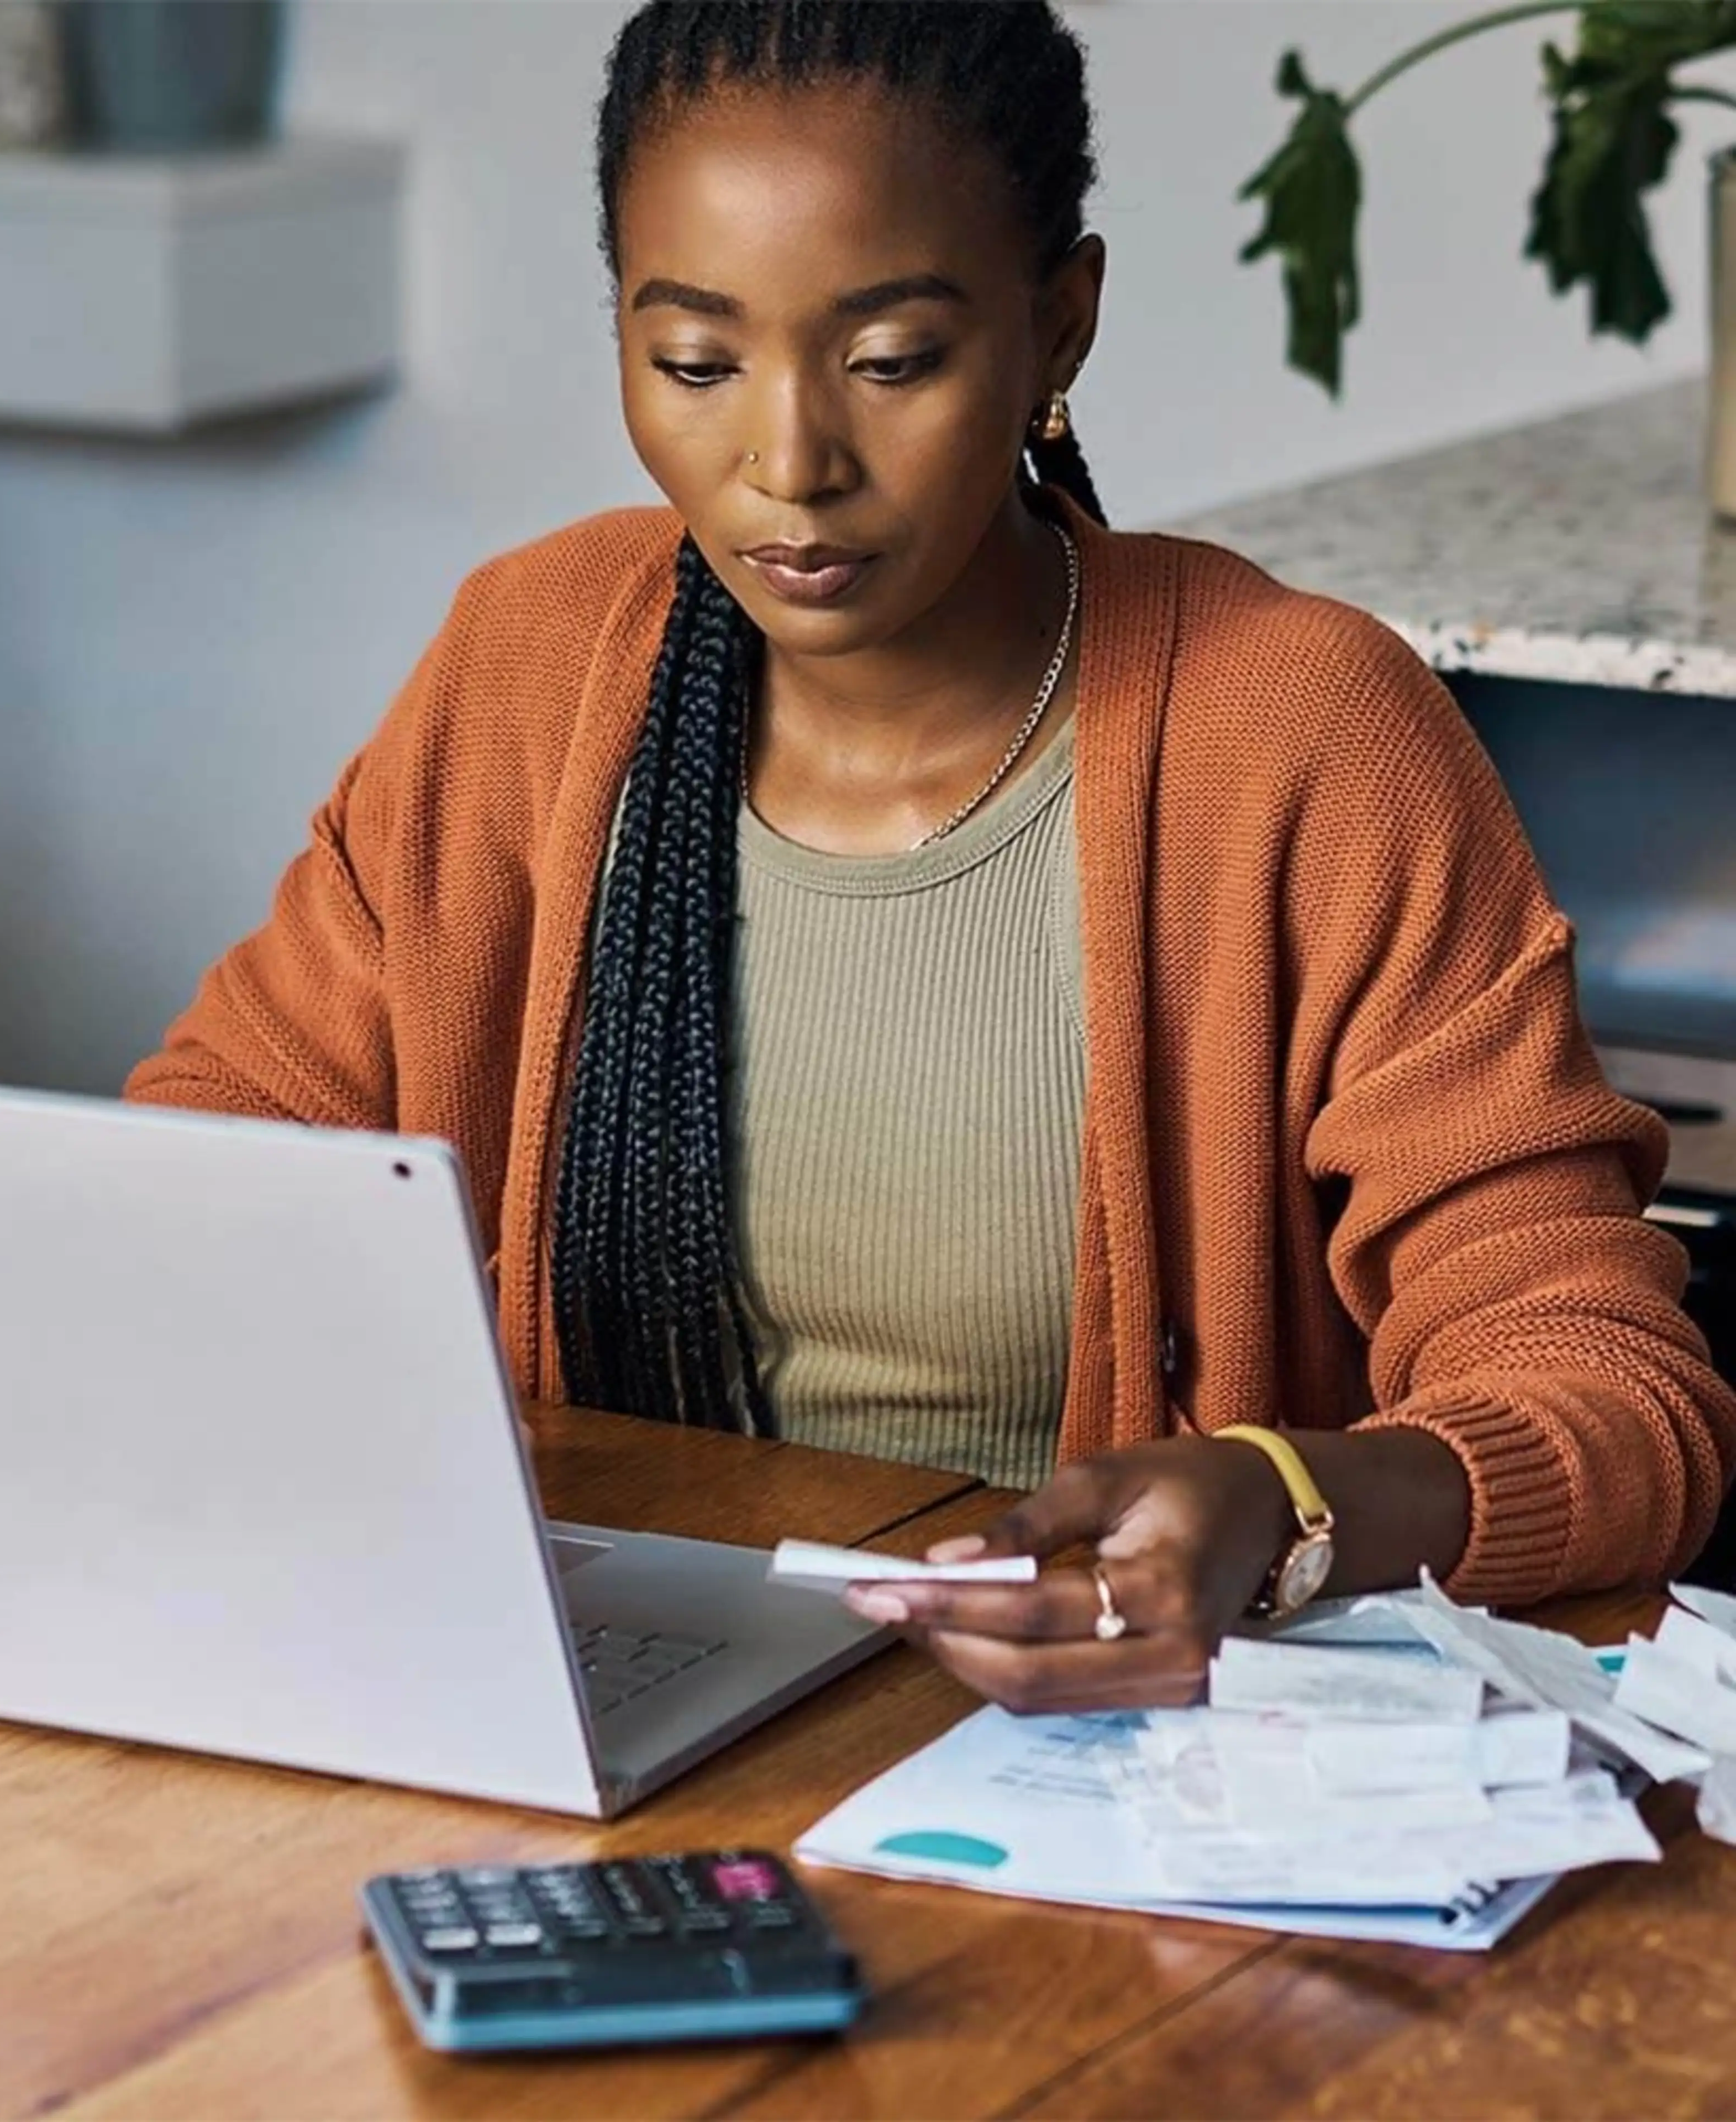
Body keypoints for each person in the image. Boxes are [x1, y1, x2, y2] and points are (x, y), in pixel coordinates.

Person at [128, 0, 1735, 1713]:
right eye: (693, 364)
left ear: (1060, 325)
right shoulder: (528, 667)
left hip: (1116, 1770)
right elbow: (214, 1182)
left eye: (891, 361)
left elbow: (1617, 1393)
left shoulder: (1301, 739)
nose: (790, 463)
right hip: (602, 1702)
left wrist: (1284, 1504)